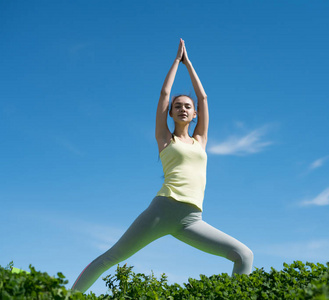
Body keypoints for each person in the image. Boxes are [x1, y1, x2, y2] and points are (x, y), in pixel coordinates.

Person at [71, 39, 253, 293]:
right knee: (111, 257)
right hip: (164, 209)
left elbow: (203, 96)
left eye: (187, 107)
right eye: (177, 107)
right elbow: (164, 95)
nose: (182, 109)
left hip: (192, 219)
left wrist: (189, 64)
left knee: (243, 255)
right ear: (171, 113)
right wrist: (176, 62)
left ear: (195, 114)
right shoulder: (166, 139)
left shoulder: (200, 140)